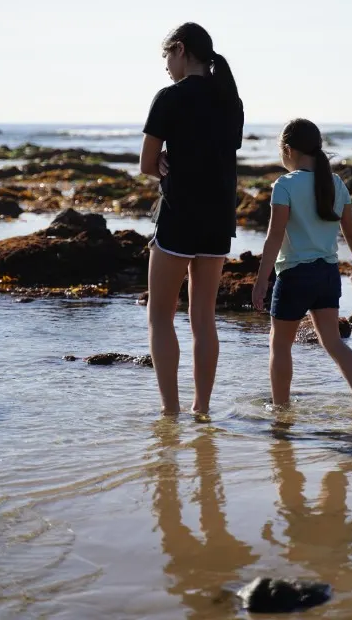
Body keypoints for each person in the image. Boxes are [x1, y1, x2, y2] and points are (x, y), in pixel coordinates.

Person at [140, 22, 244, 416]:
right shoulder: (231, 101)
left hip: (179, 217)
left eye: (167, 55)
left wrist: (164, 163)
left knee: (161, 317)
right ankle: (202, 409)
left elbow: (146, 164)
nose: (167, 64)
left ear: (181, 49)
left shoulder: (169, 97)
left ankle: (171, 411)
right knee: (203, 317)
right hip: (218, 220)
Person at [252, 119, 352, 413]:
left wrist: (261, 280)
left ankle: (281, 410)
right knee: (333, 342)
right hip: (327, 275)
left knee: (280, 345)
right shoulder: (335, 183)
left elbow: (274, 237)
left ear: (288, 149)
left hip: (294, 276)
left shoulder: (284, 185)